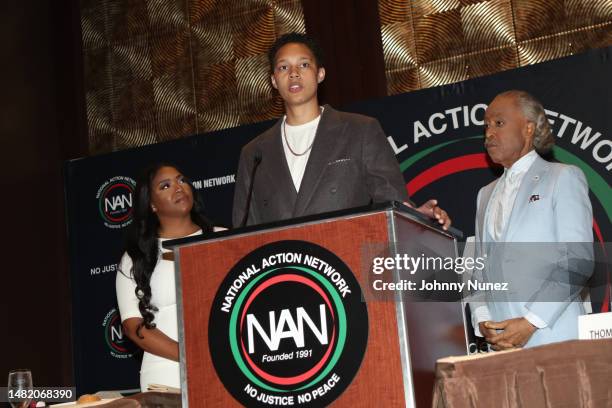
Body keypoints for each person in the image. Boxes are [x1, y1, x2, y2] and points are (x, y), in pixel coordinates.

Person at [232, 32, 450, 228]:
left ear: (320, 74)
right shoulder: (254, 153)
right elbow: (244, 232)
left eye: (304, 65)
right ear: (273, 80)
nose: (294, 73)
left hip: (344, 262)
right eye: (283, 67)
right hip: (283, 270)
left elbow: (391, 201)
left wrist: (414, 216)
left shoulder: (360, 130)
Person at [469, 90, 593, 350]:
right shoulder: (484, 195)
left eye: (499, 123)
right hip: (501, 347)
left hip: (556, 338)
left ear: (528, 128)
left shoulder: (563, 177)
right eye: (486, 126)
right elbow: (479, 270)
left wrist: (530, 322)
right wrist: (483, 320)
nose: (489, 134)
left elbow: (578, 260)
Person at [116, 163, 219, 391]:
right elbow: (133, 325)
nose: (179, 187)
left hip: (225, 367)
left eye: (182, 180)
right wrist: (190, 355)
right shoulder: (135, 257)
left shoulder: (224, 239)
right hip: (165, 375)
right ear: (151, 204)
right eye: (165, 185)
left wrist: (216, 356)